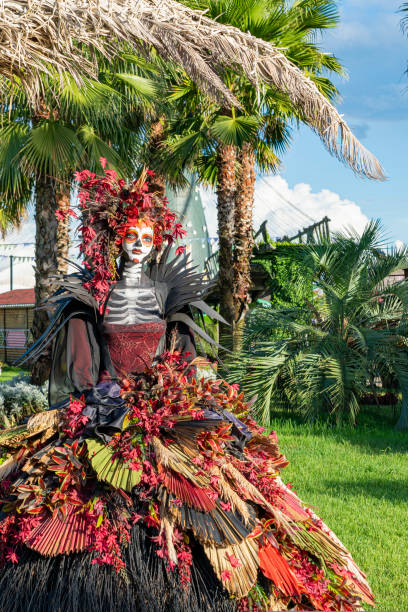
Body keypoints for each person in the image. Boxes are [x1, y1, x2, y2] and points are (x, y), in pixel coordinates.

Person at [0, 165, 374, 612]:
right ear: (115, 239)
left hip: (165, 409)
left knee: (215, 493)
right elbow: (83, 365)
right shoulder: (92, 297)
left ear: (155, 241)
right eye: (129, 236)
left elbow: (182, 355)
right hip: (105, 408)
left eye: (146, 238)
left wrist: (177, 396)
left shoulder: (168, 293)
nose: (138, 246)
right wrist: (94, 400)